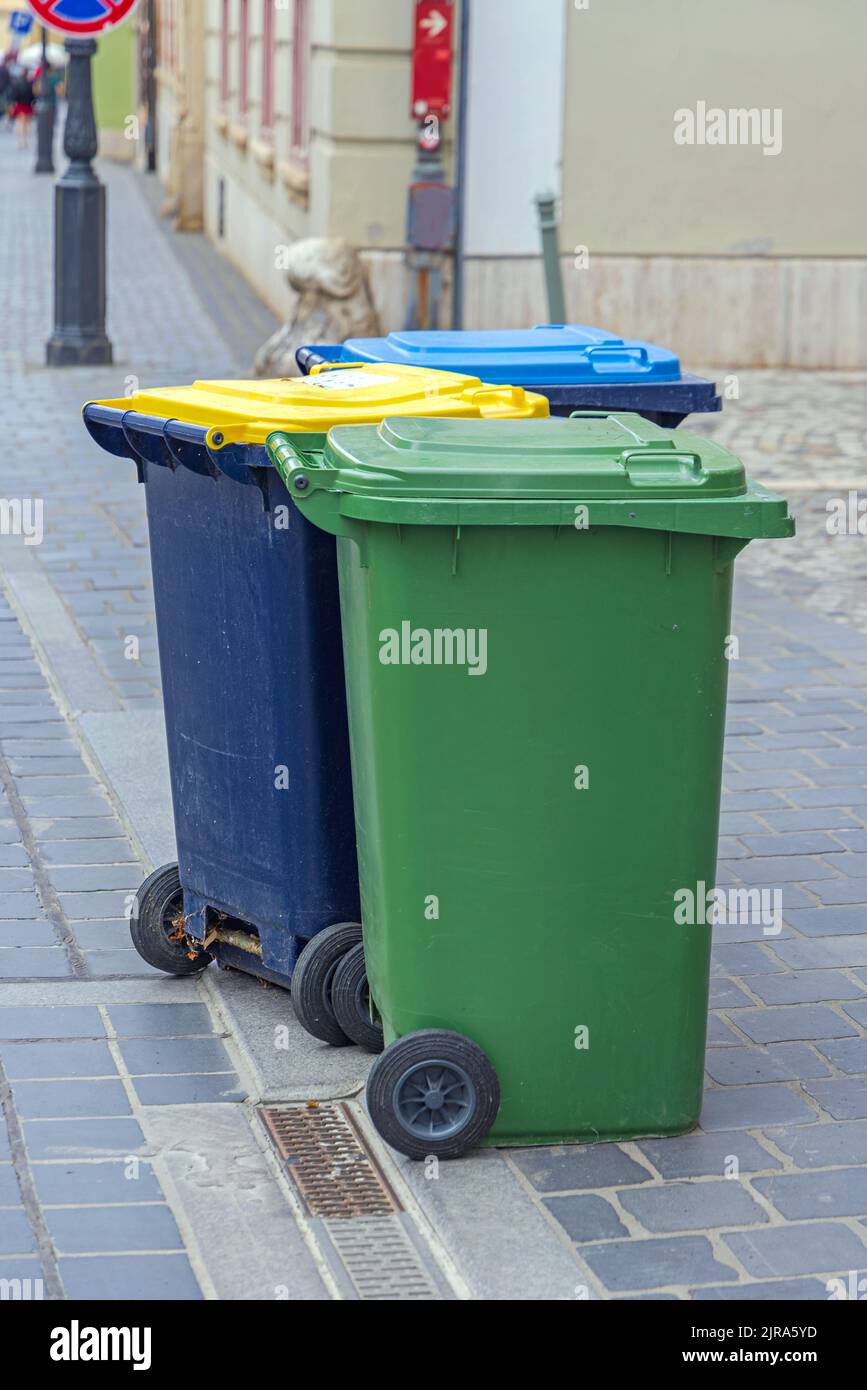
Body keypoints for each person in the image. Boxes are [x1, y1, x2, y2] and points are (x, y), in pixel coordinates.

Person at [8, 65, 35, 146]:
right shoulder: (30, 84)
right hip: (27, 105)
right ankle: (24, 140)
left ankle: (21, 140)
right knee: (26, 123)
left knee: (20, 123)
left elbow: (14, 96)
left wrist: (12, 104)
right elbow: (33, 95)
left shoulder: (17, 83)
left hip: (20, 105)